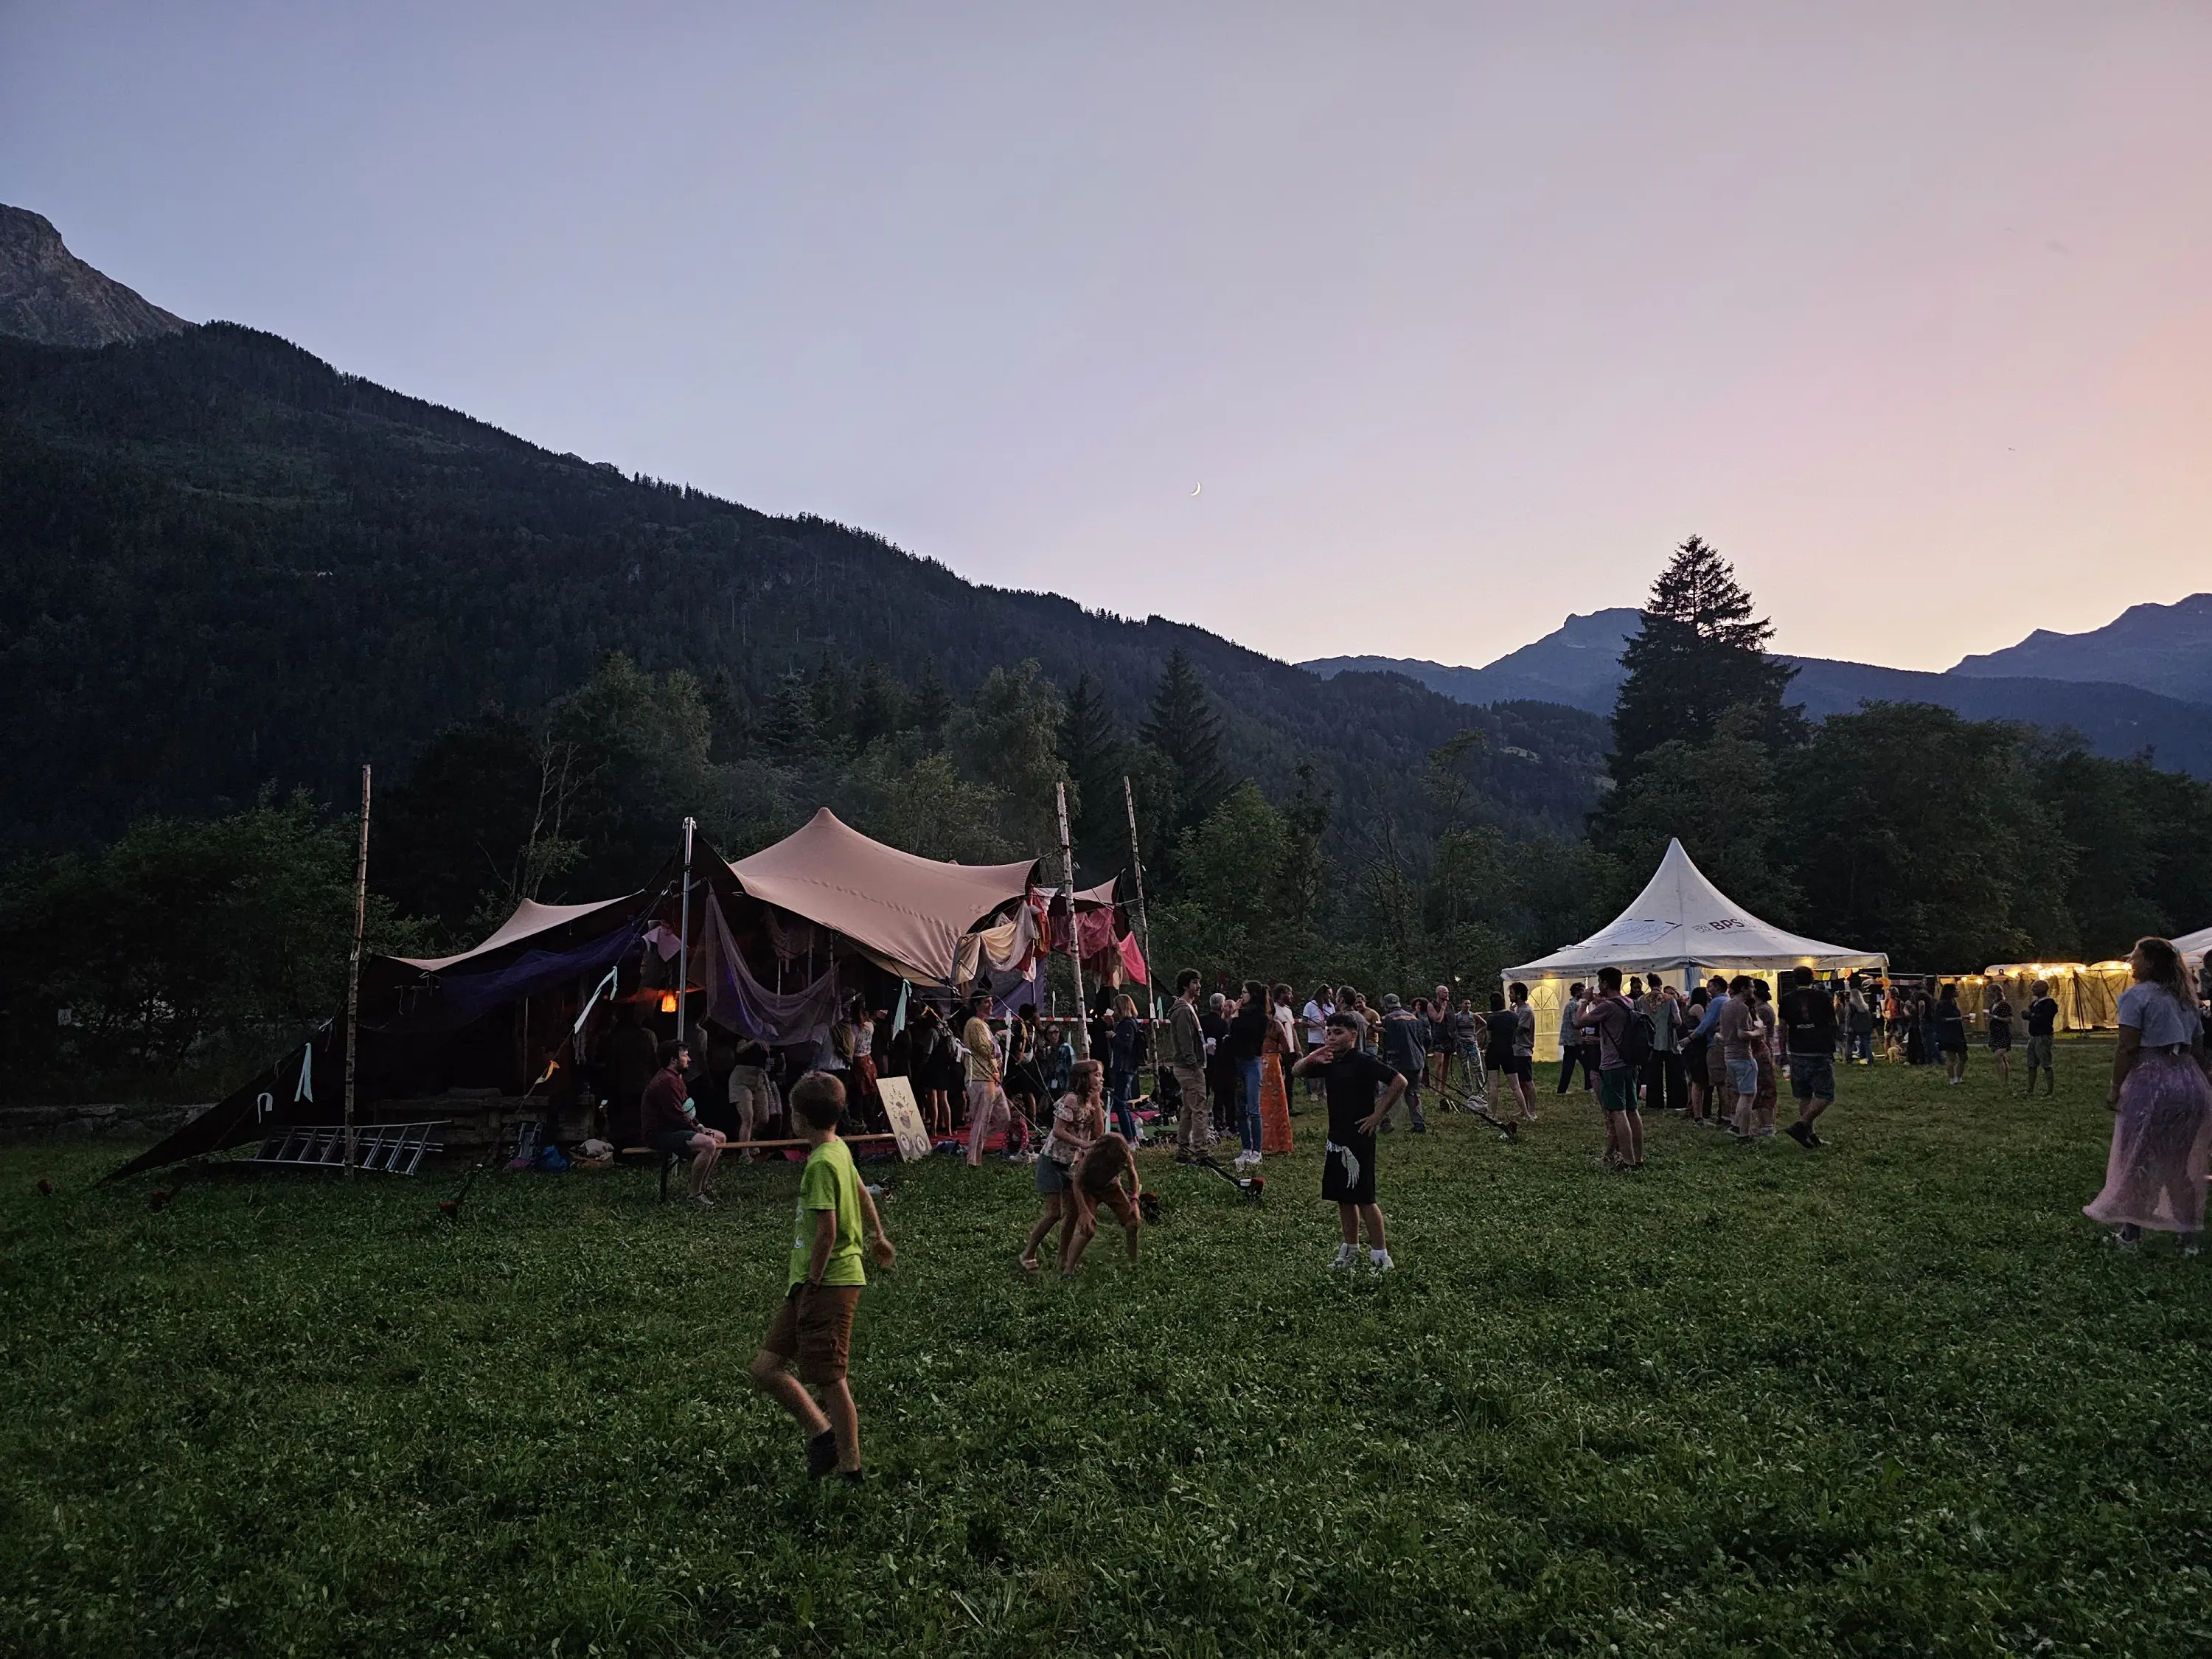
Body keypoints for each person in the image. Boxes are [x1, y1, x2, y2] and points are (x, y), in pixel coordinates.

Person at [748, 1071, 895, 1482]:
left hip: (828, 1283)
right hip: (806, 1286)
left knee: (832, 1379)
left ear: (798, 1119)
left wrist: (814, 1278)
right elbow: (864, 1192)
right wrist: (879, 1235)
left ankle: (851, 1469)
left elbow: (827, 1231)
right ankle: (822, 1436)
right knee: (766, 1368)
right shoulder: (838, 1149)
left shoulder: (820, 1164)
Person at [2084, 937, 2212, 1252]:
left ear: (2151, 964)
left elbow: (2128, 1046)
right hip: (2188, 1080)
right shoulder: (2185, 999)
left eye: (2136, 958)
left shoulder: (2135, 997)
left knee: (2138, 1157)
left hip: (2152, 1081)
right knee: (2178, 1163)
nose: (2131, 963)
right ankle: (2188, 1236)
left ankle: (2131, 1234)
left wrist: (2116, 1087)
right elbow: (2198, 1048)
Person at [1291, 1009, 1406, 1271]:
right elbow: (1297, 1072)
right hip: (1337, 1137)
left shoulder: (1363, 1061)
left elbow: (1399, 1081)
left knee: (1365, 1197)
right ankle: (1350, 1249)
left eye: (1338, 1033)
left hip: (1359, 1137)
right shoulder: (1329, 1061)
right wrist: (1313, 1056)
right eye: (1328, 1033)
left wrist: (1377, 1115)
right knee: (1343, 1196)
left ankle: (1380, 1256)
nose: (1331, 1038)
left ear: (1353, 1035)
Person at [1023, 1059, 1106, 1273]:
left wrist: (1097, 1105)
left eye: (1101, 1075)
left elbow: (1099, 1133)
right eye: (1096, 1075)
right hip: (1051, 1160)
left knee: (1073, 1212)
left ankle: (1063, 1256)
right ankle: (1028, 1253)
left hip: (1071, 1164)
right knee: (1054, 1213)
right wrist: (1083, 1144)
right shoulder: (1071, 1100)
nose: (1101, 1079)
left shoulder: (1092, 1103)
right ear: (1084, 1078)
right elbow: (1059, 1130)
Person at [640, 1038, 727, 1206]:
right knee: (708, 1144)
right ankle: (695, 1195)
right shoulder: (666, 1081)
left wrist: (700, 1126)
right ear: (674, 1060)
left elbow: (685, 1110)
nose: (689, 1059)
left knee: (721, 1137)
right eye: (685, 1056)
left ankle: (704, 1184)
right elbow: (676, 1115)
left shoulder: (676, 1078)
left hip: (675, 1129)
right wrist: (698, 1130)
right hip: (660, 1134)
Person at [1579, 967, 1644, 1170]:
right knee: (1633, 1111)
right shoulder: (1631, 1002)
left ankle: (1627, 1161)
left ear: (1606, 984)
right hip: (1631, 1063)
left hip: (1612, 1065)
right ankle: (1638, 1159)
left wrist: (1585, 1002)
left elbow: (1578, 1022)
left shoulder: (1607, 1007)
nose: (1598, 986)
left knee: (1618, 1112)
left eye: (1600, 982)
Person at [1062, 1126, 1144, 1273]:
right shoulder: (1090, 1157)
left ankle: (1133, 1263)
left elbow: (1133, 1176)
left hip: (1110, 1187)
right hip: (1087, 1189)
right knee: (1087, 1229)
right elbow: (1077, 1183)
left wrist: (1134, 1201)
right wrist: (1084, 1212)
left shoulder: (1124, 1154)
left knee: (1133, 1222)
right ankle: (1068, 1271)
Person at [1777, 964, 1837, 1147]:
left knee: (1805, 1095)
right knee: (1826, 1094)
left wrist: (1782, 1051)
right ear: (1812, 978)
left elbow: (1782, 1028)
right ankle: (1802, 1126)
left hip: (1796, 1050)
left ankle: (1809, 1136)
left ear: (1794, 980)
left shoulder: (1786, 1000)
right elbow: (1833, 1022)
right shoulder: (1823, 997)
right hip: (1818, 1049)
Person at [1166, 969, 1211, 1160]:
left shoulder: (1189, 1008)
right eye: (1194, 982)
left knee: (1187, 1109)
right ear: (1186, 986)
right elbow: (1185, 1042)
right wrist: (1194, 1065)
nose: (1198, 986)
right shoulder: (1184, 1011)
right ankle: (1201, 1151)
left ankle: (1183, 1151)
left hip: (1188, 1065)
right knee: (1199, 1108)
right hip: (1189, 1068)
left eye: (1199, 982)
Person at [1225, 981, 1272, 1167]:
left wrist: (1235, 1015)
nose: (1241, 996)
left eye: (1244, 992)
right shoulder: (1243, 1014)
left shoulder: (1260, 1016)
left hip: (1252, 1062)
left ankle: (1257, 1151)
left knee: (1253, 1108)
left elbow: (1240, 1033)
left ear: (1252, 994)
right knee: (1240, 1109)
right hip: (1238, 1063)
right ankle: (1246, 1148)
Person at [962, 995, 1011, 1165]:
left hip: (992, 1078)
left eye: (991, 1002)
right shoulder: (974, 1024)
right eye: (986, 1002)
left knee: (1004, 1117)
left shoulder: (984, 1025)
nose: (990, 1005)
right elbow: (984, 1049)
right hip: (979, 1078)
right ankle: (973, 1160)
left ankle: (976, 1143)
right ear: (977, 1005)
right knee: (981, 1120)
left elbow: (994, 1054)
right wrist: (998, 1038)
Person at [605, 1004, 661, 1144]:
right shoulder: (647, 1036)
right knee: (641, 1118)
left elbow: (612, 1064)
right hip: (642, 1083)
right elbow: (654, 1062)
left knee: (626, 1119)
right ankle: (639, 1143)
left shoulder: (617, 1037)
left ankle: (628, 1145)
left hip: (625, 1084)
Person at [1377, 993, 1428, 1133]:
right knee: (1413, 1093)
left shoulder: (1389, 1018)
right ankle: (1419, 1125)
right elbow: (1425, 1038)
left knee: (1384, 1091)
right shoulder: (1414, 1018)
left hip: (1397, 1062)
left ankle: (1385, 1122)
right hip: (1417, 1061)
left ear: (1386, 1004)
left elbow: (1389, 1044)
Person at [1717, 977, 1760, 1138]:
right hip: (1742, 1055)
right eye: (1751, 987)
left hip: (1729, 1055)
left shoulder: (1725, 1006)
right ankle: (1744, 1132)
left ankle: (1736, 1126)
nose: (1753, 990)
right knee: (1747, 1095)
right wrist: (1758, 1033)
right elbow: (1742, 1034)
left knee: (1742, 1093)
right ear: (1743, 989)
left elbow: (1723, 1031)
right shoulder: (1742, 1008)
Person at [1640, 981, 1688, 1115]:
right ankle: (1676, 1102)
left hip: (1650, 1041)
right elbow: (1678, 1020)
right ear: (1660, 985)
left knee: (1653, 1074)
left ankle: (1654, 1103)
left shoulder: (1641, 999)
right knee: (1675, 1073)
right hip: (1668, 1040)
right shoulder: (1669, 998)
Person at [726, 1030, 773, 1151]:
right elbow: (740, 1049)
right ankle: (745, 1154)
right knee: (748, 1117)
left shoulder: (769, 1041)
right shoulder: (745, 1036)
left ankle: (748, 1139)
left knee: (764, 1118)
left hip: (759, 1079)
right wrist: (754, 1041)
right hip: (741, 1079)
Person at [1107, 993, 1145, 1141]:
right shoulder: (1123, 1024)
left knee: (1120, 1104)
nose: (1114, 1009)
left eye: (1116, 1007)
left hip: (1126, 1068)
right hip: (1123, 1067)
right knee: (1123, 1104)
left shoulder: (1129, 1024)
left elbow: (1126, 1047)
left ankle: (1129, 1138)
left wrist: (1114, 1037)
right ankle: (1133, 1136)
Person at [1506, 981, 1538, 1121]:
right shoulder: (1517, 1010)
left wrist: (1509, 1019)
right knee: (1520, 1082)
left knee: (1528, 1081)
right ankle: (1523, 1109)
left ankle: (1532, 1111)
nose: (1509, 995)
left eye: (1511, 993)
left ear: (1518, 994)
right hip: (1516, 1049)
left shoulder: (1526, 1011)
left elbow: (1519, 1030)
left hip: (1523, 1050)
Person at [1680, 986, 1713, 1124]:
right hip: (1696, 1046)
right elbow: (1706, 1024)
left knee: (1696, 1079)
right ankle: (1698, 1115)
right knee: (1698, 1080)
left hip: (1693, 1046)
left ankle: (1696, 1111)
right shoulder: (1698, 1008)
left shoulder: (1690, 1007)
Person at [2023, 978, 2060, 1097]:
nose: (2032, 989)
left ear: (2043, 989)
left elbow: (2042, 1018)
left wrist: (2031, 1015)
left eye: (2035, 987)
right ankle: (2030, 1090)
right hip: (2033, 1036)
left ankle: (2050, 1091)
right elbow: (2029, 1014)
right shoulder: (2035, 1003)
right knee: (2031, 1064)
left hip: (2043, 1036)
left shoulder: (2049, 1003)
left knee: (2046, 1063)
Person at [1556, 984, 1588, 1094]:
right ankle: (1588, 1087)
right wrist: (1586, 1024)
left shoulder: (1570, 1004)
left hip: (1569, 1039)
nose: (1584, 993)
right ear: (1577, 992)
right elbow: (1576, 1023)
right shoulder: (1575, 1005)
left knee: (1569, 1065)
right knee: (1585, 1064)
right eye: (1582, 991)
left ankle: (1562, 1090)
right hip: (1573, 1040)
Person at [1936, 983, 1969, 1086]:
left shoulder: (1953, 1002)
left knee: (1964, 1056)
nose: (1958, 991)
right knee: (1951, 1056)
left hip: (1957, 1032)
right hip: (1948, 1033)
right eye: (1956, 989)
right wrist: (1958, 1019)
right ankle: (1952, 1079)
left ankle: (1959, 1078)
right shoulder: (1942, 1004)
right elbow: (1940, 1019)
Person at [1986, 987, 2015, 1090]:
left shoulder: (2004, 1005)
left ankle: (2003, 1081)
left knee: (1998, 1056)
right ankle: (2004, 1081)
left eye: (1989, 991)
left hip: (2003, 1033)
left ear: (1995, 992)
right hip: (1995, 1033)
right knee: (2002, 1058)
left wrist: (1995, 1017)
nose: (1987, 993)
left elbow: (2010, 1020)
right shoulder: (1992, 1005)